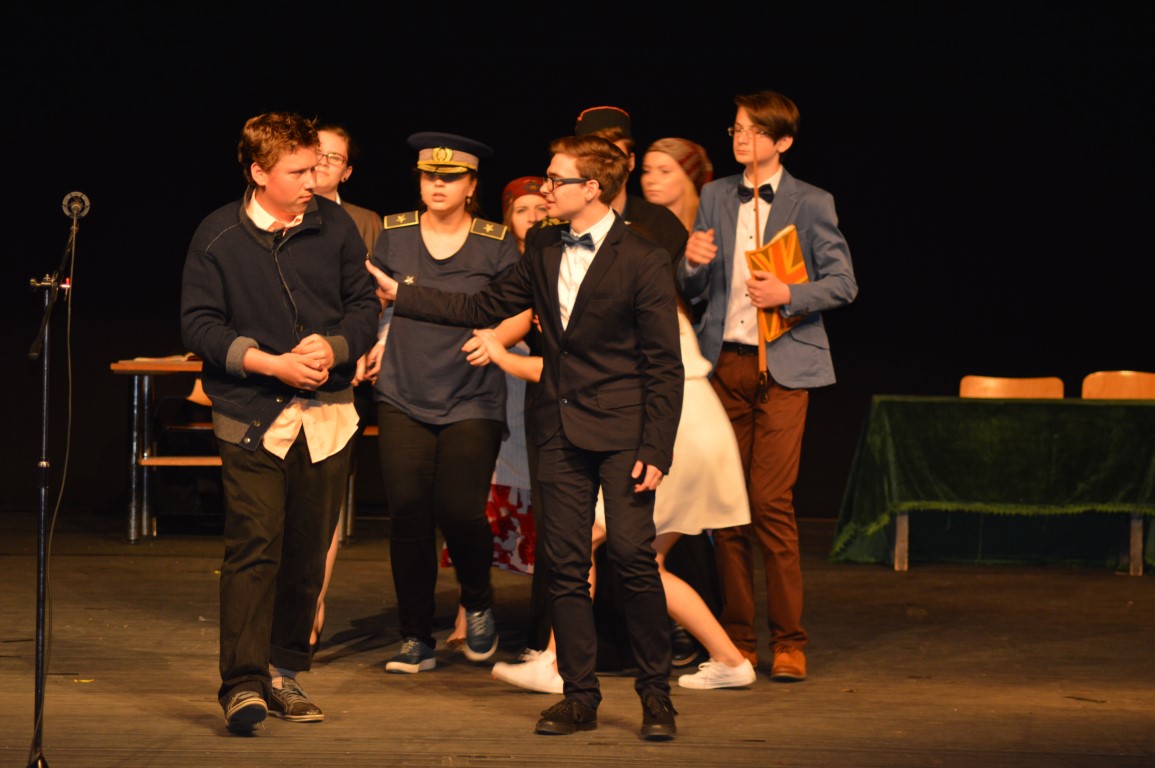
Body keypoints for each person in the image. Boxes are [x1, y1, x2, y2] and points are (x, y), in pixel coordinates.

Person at [367, 134, 684, 740]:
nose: (546, 188)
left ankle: (655, 695)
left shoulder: (642, 256)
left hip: (622, 430)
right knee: (563, 564)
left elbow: (663, 364)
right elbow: (483, 305)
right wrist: (404, 295)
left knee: (631, 558)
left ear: (592, 188)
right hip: (558, 428)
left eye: (556, 180)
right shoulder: (542, 245)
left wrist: (655, 447)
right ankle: (579, 694)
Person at [180, 111, 378, 734]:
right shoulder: (219, 235)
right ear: (259, 172)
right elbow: (200, 325)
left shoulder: (334, 224)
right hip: (252, 416)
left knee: (306, 550)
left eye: (316, 168)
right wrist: (270, 363)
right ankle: (243, 683)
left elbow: (364, 307)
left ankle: (284, 672)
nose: (312, 181)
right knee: (254, 545)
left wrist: (335, 346)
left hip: (327, 417)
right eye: (297, 171)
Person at [480, 295, 757, 693]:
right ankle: (731, 661)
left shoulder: (617, 301)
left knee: (581, 539)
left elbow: (564, 372)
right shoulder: (652, 296)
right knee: (648, 562)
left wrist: (501, 355)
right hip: (701, 423)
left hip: (673, 430)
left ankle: (556, 663)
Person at [679, 90, 858, 683]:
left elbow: (843, 282)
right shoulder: (715, 195)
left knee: (770, 503)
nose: (741, 138)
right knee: (726, 509)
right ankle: (735, 640)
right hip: (723, 364)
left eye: (754, 131)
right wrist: (692, 262)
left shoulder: (811, 202)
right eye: (736, 129)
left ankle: (789, 641)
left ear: (782, 142)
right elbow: (695, 289)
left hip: (782, 367)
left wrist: (790, 295)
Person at [365, 132, 519, 674]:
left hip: (471, 393)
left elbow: (511, 307)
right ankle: (415, 636)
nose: (437, 184)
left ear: (472, 185)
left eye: (451, 178)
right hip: (404, 389)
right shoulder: (394, 234)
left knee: (458, 509)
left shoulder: (496, 242)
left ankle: (477, 600)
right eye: (430, 175)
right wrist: (376, 342)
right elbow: (375, 302)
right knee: (408, 512)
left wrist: (496, 338)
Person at [309, 121, 384, 655]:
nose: (320, 164)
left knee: (325, 499)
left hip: (346, 373)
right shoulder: (276, 213)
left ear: (348, 170)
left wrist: (359, 347)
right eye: (314, 153)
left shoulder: (364, 222)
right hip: (288, 368)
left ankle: (311, 605)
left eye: (332, 157)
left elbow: (375, 297)